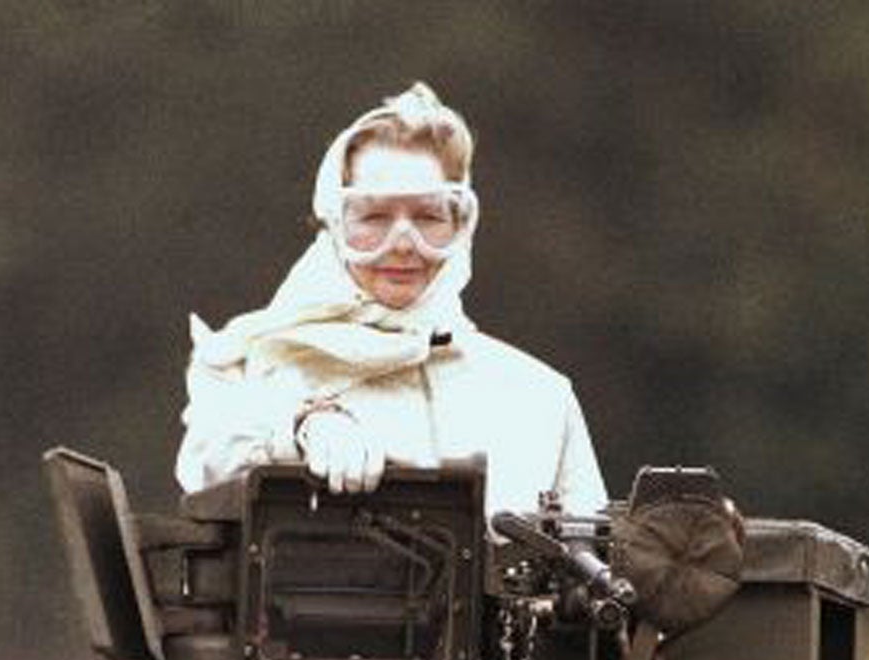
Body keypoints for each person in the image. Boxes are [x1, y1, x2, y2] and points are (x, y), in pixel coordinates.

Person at [175, 82, 607, 519]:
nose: (403, 244)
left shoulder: (538, 397)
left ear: (461, 225)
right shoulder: (242, 361)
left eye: (429, 217)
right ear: (334, 225)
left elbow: (594, 560)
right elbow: (208, 466)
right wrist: (302, 425)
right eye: (374, 216)